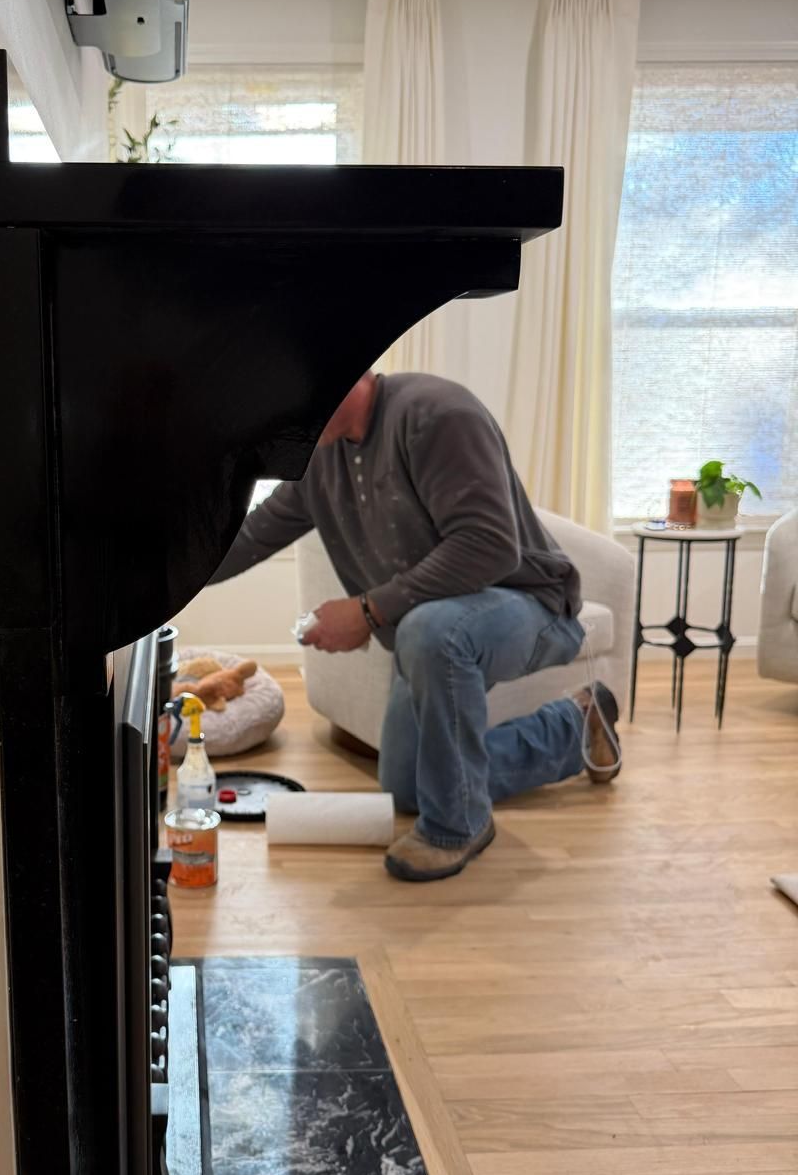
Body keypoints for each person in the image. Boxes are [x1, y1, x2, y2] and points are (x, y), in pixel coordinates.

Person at [209, 369, 621, 881]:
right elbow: (251, 536)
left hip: (532, 606)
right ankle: (574, 726)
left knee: (431, 632)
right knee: (408, 786)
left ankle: (460, 826)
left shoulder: (435, 415)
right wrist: (162, 576)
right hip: (438, 626)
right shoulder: (322, 458)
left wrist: (366, 611)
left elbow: (490, 545)